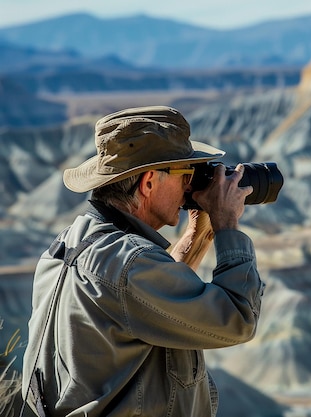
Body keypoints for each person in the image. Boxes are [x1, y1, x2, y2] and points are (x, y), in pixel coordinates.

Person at [21, 106, 265, 416]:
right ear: (148, 182)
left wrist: (199, 231)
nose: (190, 186)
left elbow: (149, 297)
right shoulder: (128, 264)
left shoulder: (70, 244)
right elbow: (238, 319)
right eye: (184, 173)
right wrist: (227, 224)